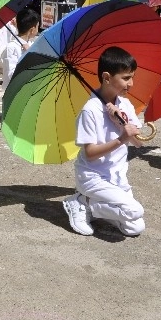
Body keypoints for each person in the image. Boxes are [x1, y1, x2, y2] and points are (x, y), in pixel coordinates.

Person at [62, 46, 146, 237]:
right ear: (107, 77)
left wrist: (121, 122)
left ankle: (93, 206)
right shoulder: (90, 111)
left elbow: (139, 143)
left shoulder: (124, 105)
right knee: (134, 210)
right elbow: (90, 154)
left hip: (117, 176)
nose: (131, 83)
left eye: (132, 77)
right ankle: (83, 202)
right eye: (126, 78)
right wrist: (121, 139)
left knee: (135, 228)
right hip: (93, 177)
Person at [1, 9, 40, 89]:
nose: (38, 29)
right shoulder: (11, 47)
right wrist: (28, 55)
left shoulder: (31, 45)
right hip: (13, 92)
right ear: (32, 30)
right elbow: (11, 75)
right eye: (37, 27)